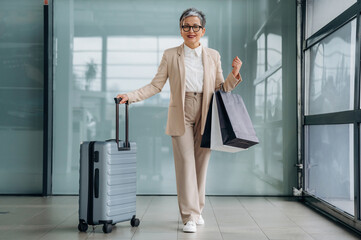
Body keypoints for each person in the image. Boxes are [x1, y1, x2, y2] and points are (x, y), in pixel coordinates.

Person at [116, 8, 242, 233]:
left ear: (203, 30)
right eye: (186, 26)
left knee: (201, 165)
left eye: (195, 26)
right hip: (181, 112)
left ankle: (198, 209)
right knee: (185, 164)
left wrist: (234, 74)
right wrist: (131, 96)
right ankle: (189, 216)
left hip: (207, 110)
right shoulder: (170, 54)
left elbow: (220, 89)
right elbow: (156, 85)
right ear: (180, 29)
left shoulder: (213, 55)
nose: (190, 30)